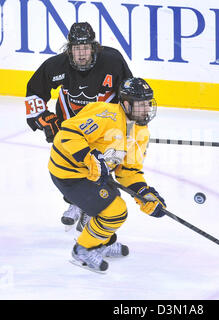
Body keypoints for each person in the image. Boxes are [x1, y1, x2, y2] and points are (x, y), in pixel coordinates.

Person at [48, 77, 166, 272]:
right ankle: (82, 250)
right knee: (114, 211)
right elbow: (68, 133)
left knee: (111, 203)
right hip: (68, 172)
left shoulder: (141, 132)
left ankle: (102, 241)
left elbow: (128, 171)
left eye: (148, 104)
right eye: (141, 105)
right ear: (126, 104)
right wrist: (88, 157)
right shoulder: (106, 115)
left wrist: (144, 194)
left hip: (92, 175)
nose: (146, 109)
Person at [25, 22, 133, 231]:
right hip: (71, 130)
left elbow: (129, 93)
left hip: (103, 131)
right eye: (76, 48)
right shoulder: (56, 66)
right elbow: (34, 92)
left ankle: (90, 212)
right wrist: (42, 117)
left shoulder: (112, 61)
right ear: (69, 49)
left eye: (85, 48)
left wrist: (128, 129)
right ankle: (77, 202)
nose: (81, 54)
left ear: (94, 48)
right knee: (70, 166)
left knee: (100, 168)